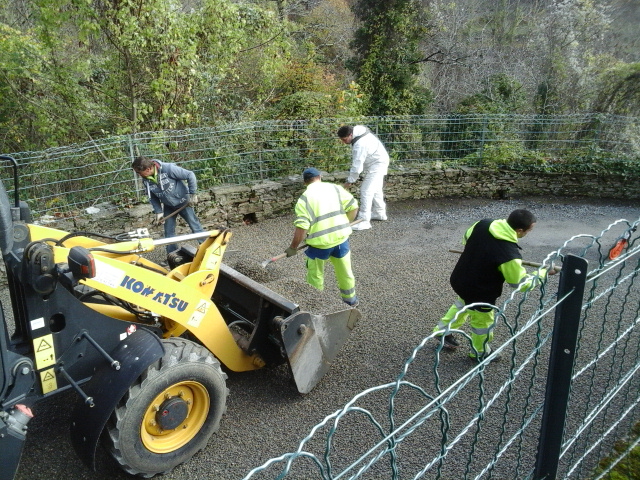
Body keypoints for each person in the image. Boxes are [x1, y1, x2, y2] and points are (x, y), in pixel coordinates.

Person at [432, 209, 557, 362]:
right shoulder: (509, 254)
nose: (530, 232)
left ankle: (442, 331)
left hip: (461, 278)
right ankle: (480, 352)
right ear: (519, 230)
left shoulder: (484, 224)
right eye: (530, 229)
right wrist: (542, 273)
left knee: (463, 303)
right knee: (482, 323)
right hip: (481, 290)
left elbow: (466, 238)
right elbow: (520, 283)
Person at [285, 167, 360, 306]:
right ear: (320, 176)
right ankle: (351, 301)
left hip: (319, 246)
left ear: (305, 183)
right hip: (341, 241)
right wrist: (346, 224)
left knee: (315, 277)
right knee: (345, 272)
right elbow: (353, 206)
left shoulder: (304, 199)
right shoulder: (336, 189)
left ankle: (317, 305)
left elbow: (302, 227)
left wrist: (293, 247)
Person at [132, 156, 204, 254]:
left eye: (139, 172)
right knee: (168, 232)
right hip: (168, 206)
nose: (139, 175)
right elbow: (152, 197)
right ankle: (172, 255)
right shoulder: (146, 180)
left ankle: (207, 250)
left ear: (148, 169)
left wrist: (192, 194)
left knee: (195, 226)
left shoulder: (168, 169)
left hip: (184, 202)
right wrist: (158, 212)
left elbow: (190, 175)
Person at [337, 125, 389, 231]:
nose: (343, 142)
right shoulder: (357, 132)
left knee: (366, 191)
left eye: (344, 139)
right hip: (380, 160)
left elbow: (357, 167)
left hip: (377, 164)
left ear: (350, 135)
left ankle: (364, 221)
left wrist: (349, 181)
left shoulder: (360, 145)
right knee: (376, 189)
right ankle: (379, 213)